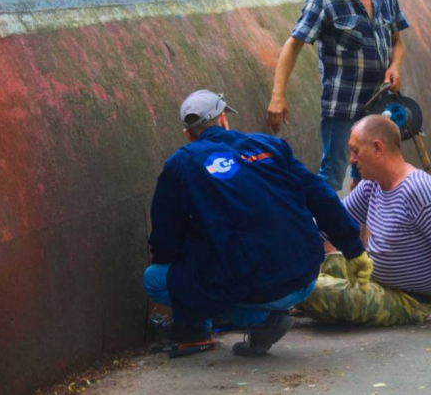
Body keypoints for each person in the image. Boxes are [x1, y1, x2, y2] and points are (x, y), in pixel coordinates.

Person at [144, 90, 374, 357]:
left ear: (187, 135)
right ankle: (220, 319)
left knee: (156, 280)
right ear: (223, 120)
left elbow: (165, 239)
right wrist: (354, 250)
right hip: (307, 273)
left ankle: (259, 321)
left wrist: (185, 277)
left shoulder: (181, 164)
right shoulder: (270, 146)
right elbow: (321, 195)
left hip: (265, 286)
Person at [300, 115, 431, 330]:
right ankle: (292, 301)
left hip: (408, 299)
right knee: (299, 268)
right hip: (374, 277)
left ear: (377, 148)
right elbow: (332, 223)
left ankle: (294, 301)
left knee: (311, 287)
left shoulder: (419, 190)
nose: (352, 159)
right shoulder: (371, 184)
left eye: (356, 151)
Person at [267, 0, 410, 191]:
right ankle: (323, 231)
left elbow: (398, 42)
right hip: (342, 107)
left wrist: (394, 66)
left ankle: (364, 230)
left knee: (372, 173)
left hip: (379, 104)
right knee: (332, 174)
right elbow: (293, 45)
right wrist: (278, 95)